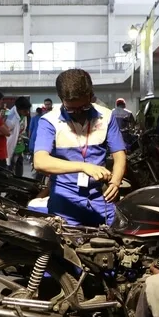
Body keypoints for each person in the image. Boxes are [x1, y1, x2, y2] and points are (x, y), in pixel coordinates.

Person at [33, 69, 127, 227]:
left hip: (101, 199)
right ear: (61, 99)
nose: (77, 113)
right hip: (64, 203)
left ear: (91, 95)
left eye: (83, 108)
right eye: (71, 109)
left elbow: (119, 154)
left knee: (118, 239)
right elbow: (40, 161)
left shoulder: (107, 117)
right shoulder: (49, 121)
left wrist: (115, 182)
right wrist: (84, 167)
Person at [6, 96, 31, 176]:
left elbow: (23, 130)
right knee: (10, 169)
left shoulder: (23, 116)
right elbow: (6, 133)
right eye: (25, 110)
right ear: (19, 109)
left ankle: (19, 182)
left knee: (19, 168)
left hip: (20, 147)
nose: (27, 113)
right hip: (12, 148)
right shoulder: (11, 117)